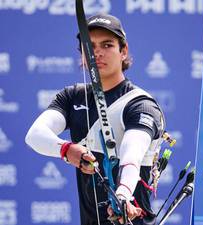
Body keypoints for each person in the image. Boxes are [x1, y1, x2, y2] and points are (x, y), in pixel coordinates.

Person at [25, 13, 165, 225]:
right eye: (90, 46)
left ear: (123, 51)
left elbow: (132, 156)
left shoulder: (139, 104)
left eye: (107, 45)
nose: (97, 53)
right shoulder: (72, 96)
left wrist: (123, 194)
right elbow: (35, 135)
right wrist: (66, 150)